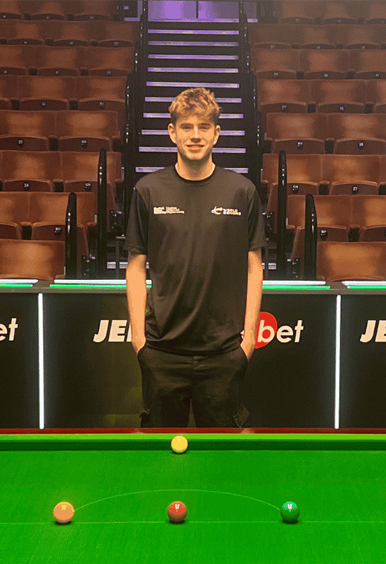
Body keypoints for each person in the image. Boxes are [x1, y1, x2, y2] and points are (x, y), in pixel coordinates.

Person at [124, 87, 265, 428]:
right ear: (172, 132)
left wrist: (247, 340)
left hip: (224, 354)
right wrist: (140, 339)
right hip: (161, 352)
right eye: (186, 126)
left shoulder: (242, 191)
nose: (195, 135)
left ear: (217, 133)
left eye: (204, 126)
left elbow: (254, 269)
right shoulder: (147, 190)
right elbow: (135, 268)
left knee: (222, 465)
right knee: (158, 466)